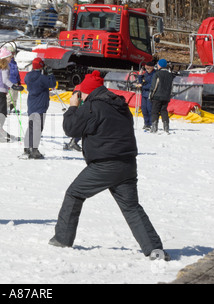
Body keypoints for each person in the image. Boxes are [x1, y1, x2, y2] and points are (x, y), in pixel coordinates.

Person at [49, 84, 169, 261]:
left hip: (105, 165)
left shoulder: (92, 106)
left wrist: (73, 107)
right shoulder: (119, 105)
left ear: (85, 92)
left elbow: (71, 129)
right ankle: (154, 249)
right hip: (127, 163)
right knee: (131, 207)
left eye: (80, 93)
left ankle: (62, 239)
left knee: (74, 194)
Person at [20, 57, 56, 159]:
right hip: (40, 106)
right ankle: (34, 150)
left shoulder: (28, 76)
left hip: (31, 105)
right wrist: (50, 74)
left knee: (31, 127)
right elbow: (52, 84)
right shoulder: (42, 78)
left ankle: (27, 148)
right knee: (38, 128)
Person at [0, 47, 23, 142]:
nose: (11, 58)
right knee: (2, 114)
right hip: (0, 93)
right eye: (9, 57)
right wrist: (14, 86)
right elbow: (5, 80)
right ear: (6, 57)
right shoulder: (5, 67)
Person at [65, 70, 104, 151]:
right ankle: (74, 142)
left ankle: (74, 141)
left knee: (81, 125)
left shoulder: (82, 85)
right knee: (82, 125)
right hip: (84, 107)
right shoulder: (88, 87)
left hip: (82, 107)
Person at [149, 59, 174, 134]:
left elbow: (154, 85)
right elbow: (171, 86)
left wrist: (151, 95)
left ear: (160, 65)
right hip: (166, 96)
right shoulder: (170, 75)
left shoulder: (157, 74)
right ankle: (166, 127)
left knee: (155, 111)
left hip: (157, 96)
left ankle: (154, 127)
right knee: (164, 111)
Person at [137, 61, 156, 130]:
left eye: (148, 68)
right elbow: (141, 82)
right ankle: (146, 123)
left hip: (150, 93)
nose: (147, 69)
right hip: (144, 93)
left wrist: (142, 86)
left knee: (149, 109)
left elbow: (152, 85)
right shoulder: (146, 74)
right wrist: (140, 75)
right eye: (146, 68)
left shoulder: (154, 74)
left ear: (151, 67)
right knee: (144, 109)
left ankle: (151, 124)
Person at [5, 45, 22, 114]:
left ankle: (13, 108)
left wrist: (18, 80)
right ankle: (5, 108)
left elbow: (16, 72)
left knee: (15, 96)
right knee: (10, 96)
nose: (13, 55)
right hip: (10, 82)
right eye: (12, 53)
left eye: (14, 53)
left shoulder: (14, 62)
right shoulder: (7, 62)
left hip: (15, 81)